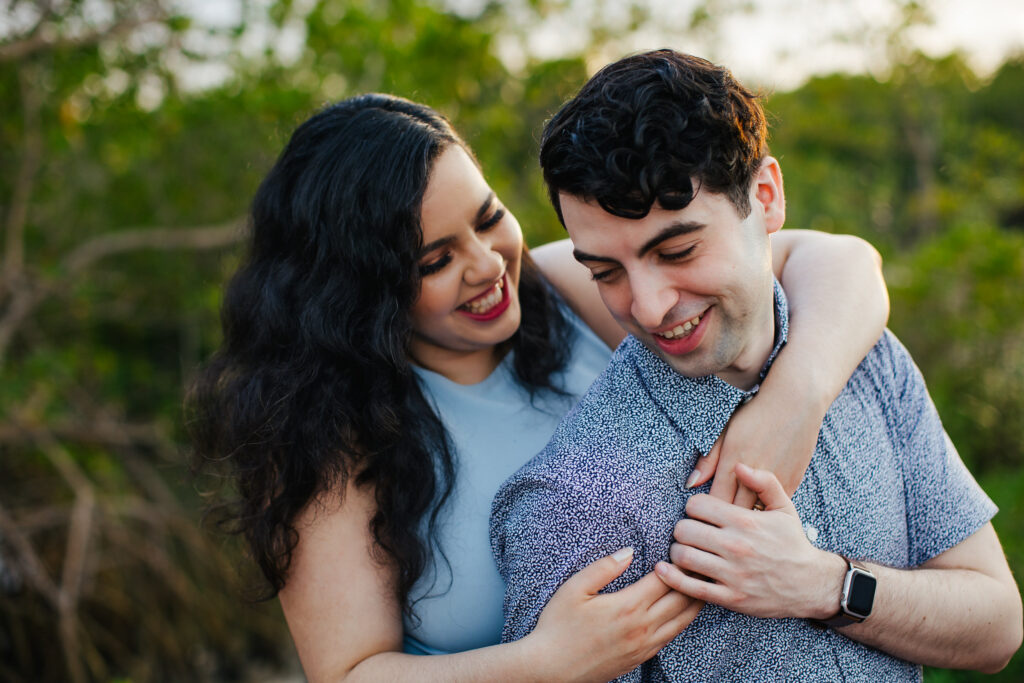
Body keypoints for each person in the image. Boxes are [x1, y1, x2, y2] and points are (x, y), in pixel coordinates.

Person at [187, 92, 891, 681]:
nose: (486, 264)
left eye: (489, 217)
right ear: (360, 289)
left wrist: (793, 400)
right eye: (435, 258)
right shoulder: (330, 434)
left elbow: (843, 263)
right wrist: (545, 661)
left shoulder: (569, 288)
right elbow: (352, 673)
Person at [491, 49, 1023, 681]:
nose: (648, 307)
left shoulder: (870, 358)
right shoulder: (575, 499)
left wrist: (824, 586)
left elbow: (997, 628)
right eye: (605, 271)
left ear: (766, 197)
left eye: (679, 249)